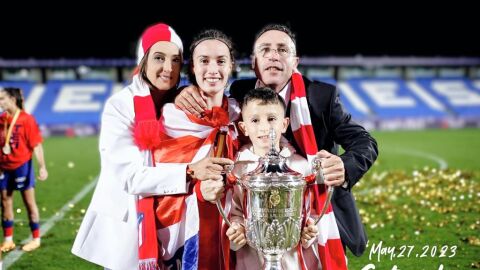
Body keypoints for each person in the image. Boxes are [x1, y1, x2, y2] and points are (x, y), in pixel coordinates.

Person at [175, 24, 379, 257]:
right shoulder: (241, 92)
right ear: (253, 63)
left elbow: (365, 141)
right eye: (265, 50)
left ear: (295, 62)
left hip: (313, 217)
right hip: (254, 215)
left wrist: (344, 165)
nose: (273, 55)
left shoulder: (321, 97)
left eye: (282, 49)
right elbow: (209, 95)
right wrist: (181, 91)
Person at [71, 23, 232, 270]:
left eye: (175, 60)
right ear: (143, 61)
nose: (168, 68)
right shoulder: (121, 106)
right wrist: (190, 171)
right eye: (159, 58)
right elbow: (130, 177)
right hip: (131, 226)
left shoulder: (180, 100)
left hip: (172, 222)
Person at [150, 29, 239, 270]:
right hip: (179, 229)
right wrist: (190, 171)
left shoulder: (241, 114)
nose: (213, 69)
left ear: (231, 66)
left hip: (230, 230)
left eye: (221, 61)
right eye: (204, 61)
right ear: (193, 67)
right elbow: (151, 173)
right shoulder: (169, 117)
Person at [226, 87, 329, 269]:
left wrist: (310, 230)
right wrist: (238, 230)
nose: (265, 127)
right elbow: (235, 212)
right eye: (255, 120)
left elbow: (311, 211)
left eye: (272, 119)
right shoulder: (238, 168)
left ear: (284, 124)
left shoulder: (301, 167)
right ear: (244, 128)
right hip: (252, 260)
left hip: (293, 261)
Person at [0, 87, 48, 252]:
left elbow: (36, 145)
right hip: (4, 168)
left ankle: (35, 239)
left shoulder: (26, 119)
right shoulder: (2, 119)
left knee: (29, 202)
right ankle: (8, 240)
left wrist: (42, 166)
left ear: (12, 100)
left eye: (2, 99)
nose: (0, 102)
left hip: (22, 167)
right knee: (5, 202)